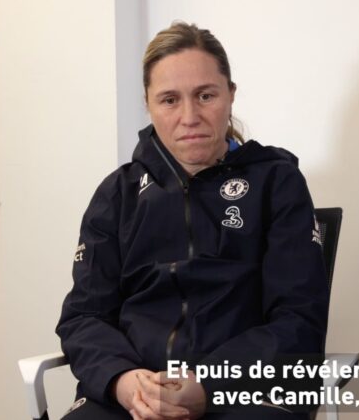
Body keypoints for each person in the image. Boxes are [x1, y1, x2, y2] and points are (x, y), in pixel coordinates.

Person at [56, 22, 328, 420]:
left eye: (205, 95)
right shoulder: (117, 195)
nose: (190, 117)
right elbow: (84, 316)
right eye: (169, 100)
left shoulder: (277, 183)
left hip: (247, 391)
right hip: (133, 398)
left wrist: (209, 385)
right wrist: (124, 382)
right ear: (148, 104)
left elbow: (298, 318)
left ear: (230, 95)